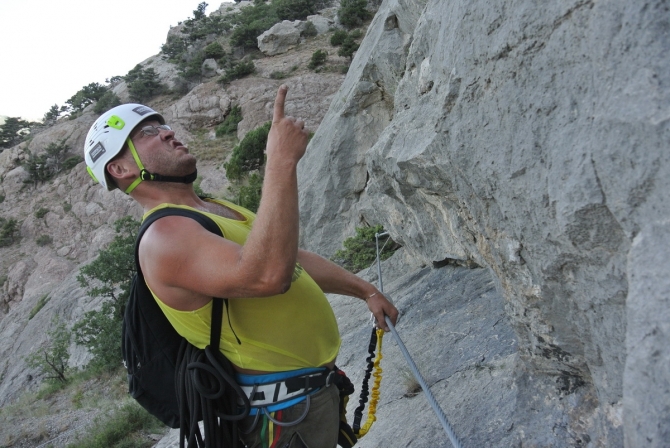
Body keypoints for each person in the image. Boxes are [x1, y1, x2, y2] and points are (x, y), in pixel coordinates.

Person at [84, 85, 399, 447]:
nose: (168, 132)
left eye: (163, 125)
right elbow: (268, 276)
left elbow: (290, 259)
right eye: (147, 134)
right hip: (281, 414)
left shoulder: (213, 208)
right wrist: (280, 161)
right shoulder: (164, 237)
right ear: (121, 168)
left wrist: (365, 291)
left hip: (310, 393)